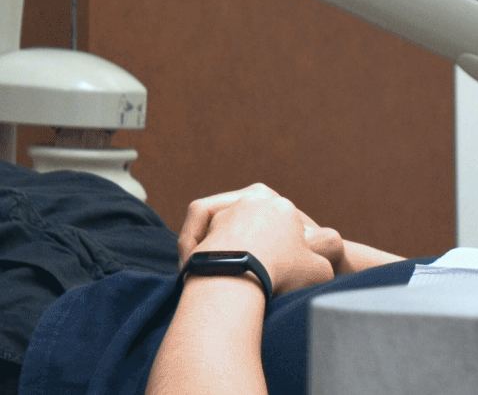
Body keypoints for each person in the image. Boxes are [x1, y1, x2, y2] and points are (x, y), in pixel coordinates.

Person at [6, 164, 417, 395]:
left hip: (78, 348)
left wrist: (233, 261)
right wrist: (312, 241)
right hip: (179, 275)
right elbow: (457, 285)